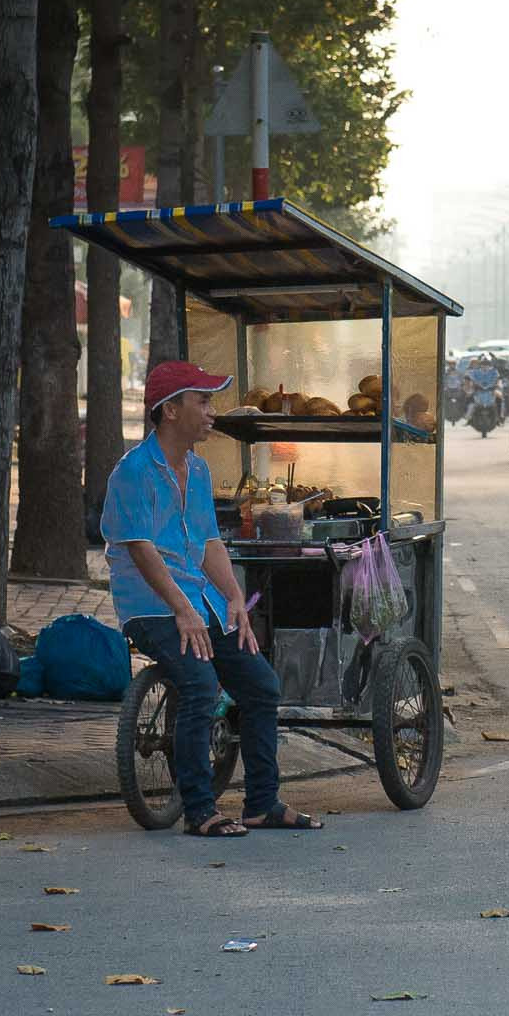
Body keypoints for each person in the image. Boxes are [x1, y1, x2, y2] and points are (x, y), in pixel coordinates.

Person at [102, 359, 316, 837]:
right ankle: (199, 810)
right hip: (152, 607)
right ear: (171, 410)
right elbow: (141, 549)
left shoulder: (196, 471)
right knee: (200, 686)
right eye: (202, 401)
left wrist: (234, 597)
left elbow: (207, 543)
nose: (211, 411)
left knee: (262, 686)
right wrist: (182, 609)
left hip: (199, 604)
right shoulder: (134, 472)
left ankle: (262, 803)